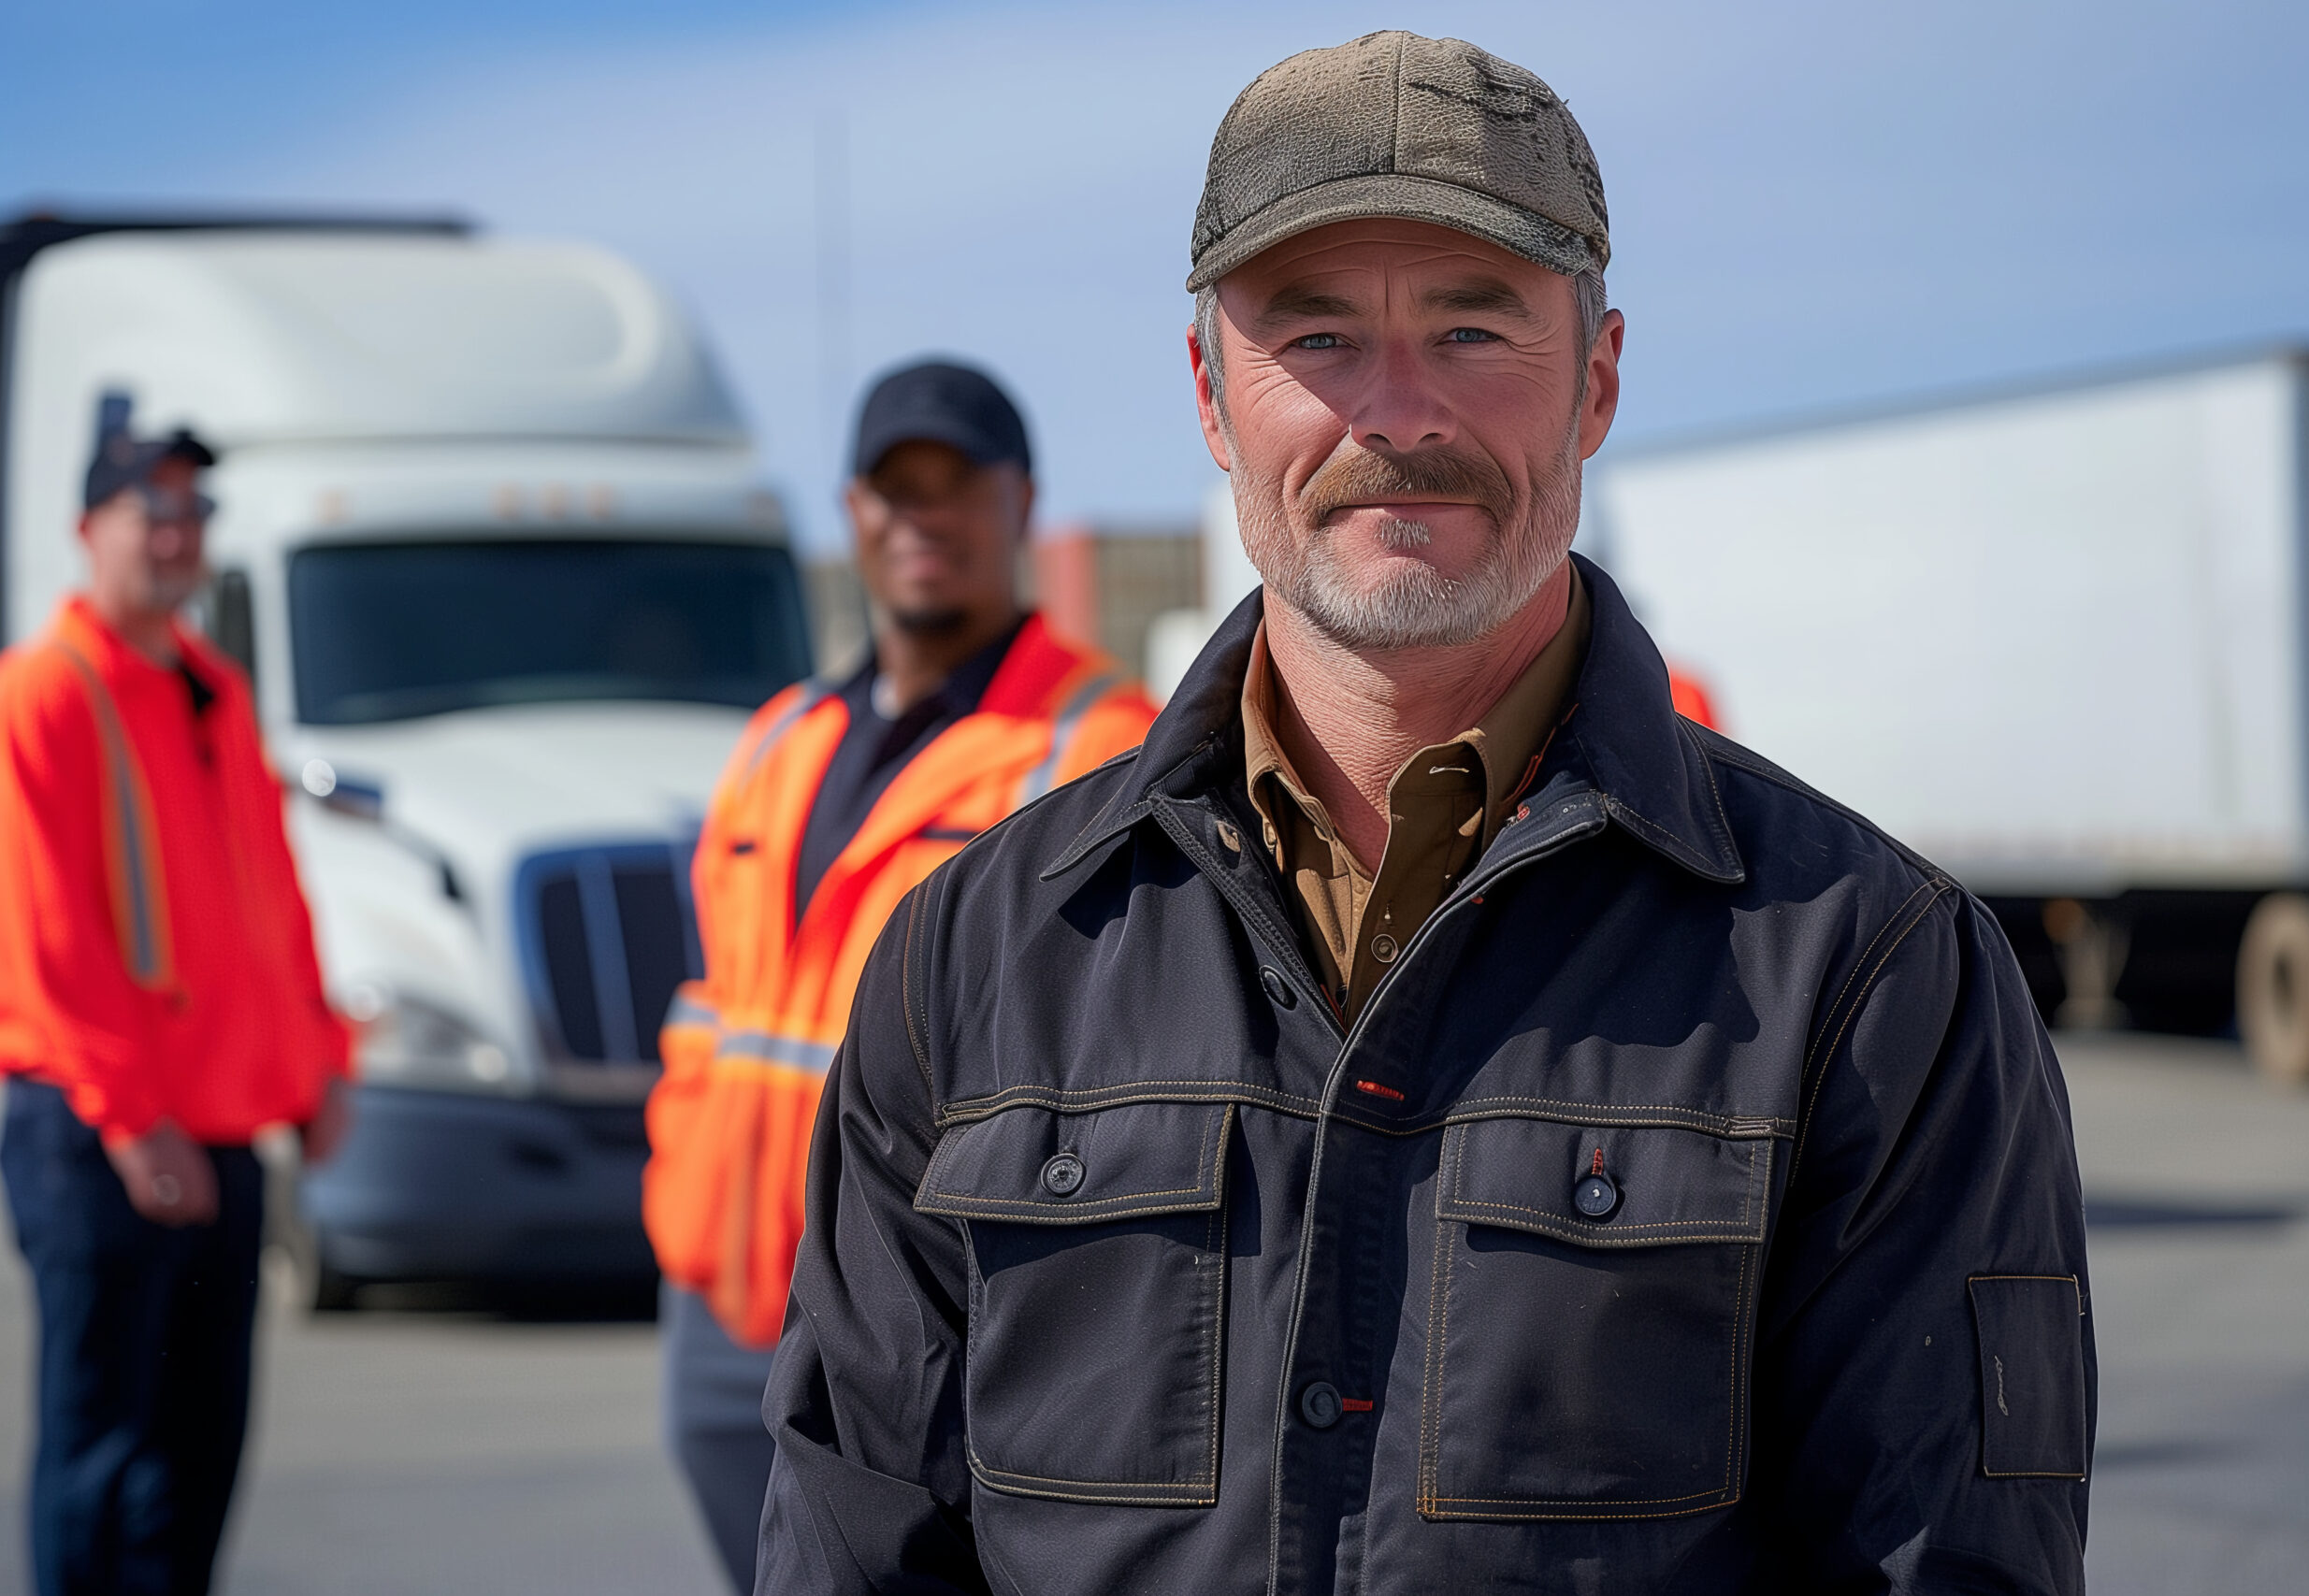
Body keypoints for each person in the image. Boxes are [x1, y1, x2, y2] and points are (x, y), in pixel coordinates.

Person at [754, 32, 2096, 1596]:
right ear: (1210, 394)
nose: (1393, 411)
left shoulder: (1872, 974)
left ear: (1596, 379)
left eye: (1472, 328)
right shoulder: (974, 958)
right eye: (1316, 336)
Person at [643, 359, 1158, 1590]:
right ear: (852, 511)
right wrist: (680, 1197)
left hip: (920, 1318)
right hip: (724, 1299)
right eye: (893, 489)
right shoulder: (779, 738)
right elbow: (719, 1000)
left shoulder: (1096, 746)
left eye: (955, 486)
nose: (922, 517)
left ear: (1020, 503)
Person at [0, 397, 354, 1596]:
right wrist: (129, 1115)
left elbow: (268, 896)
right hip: (104, 1134)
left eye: (192, 510)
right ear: (85, 526)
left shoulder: (211, 689)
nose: (176, 533)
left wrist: (317, 1059)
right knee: (102, 1458)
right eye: (151, 508)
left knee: (197, 1460)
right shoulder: (46, 693)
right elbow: (47, 937)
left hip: (216, 1130)